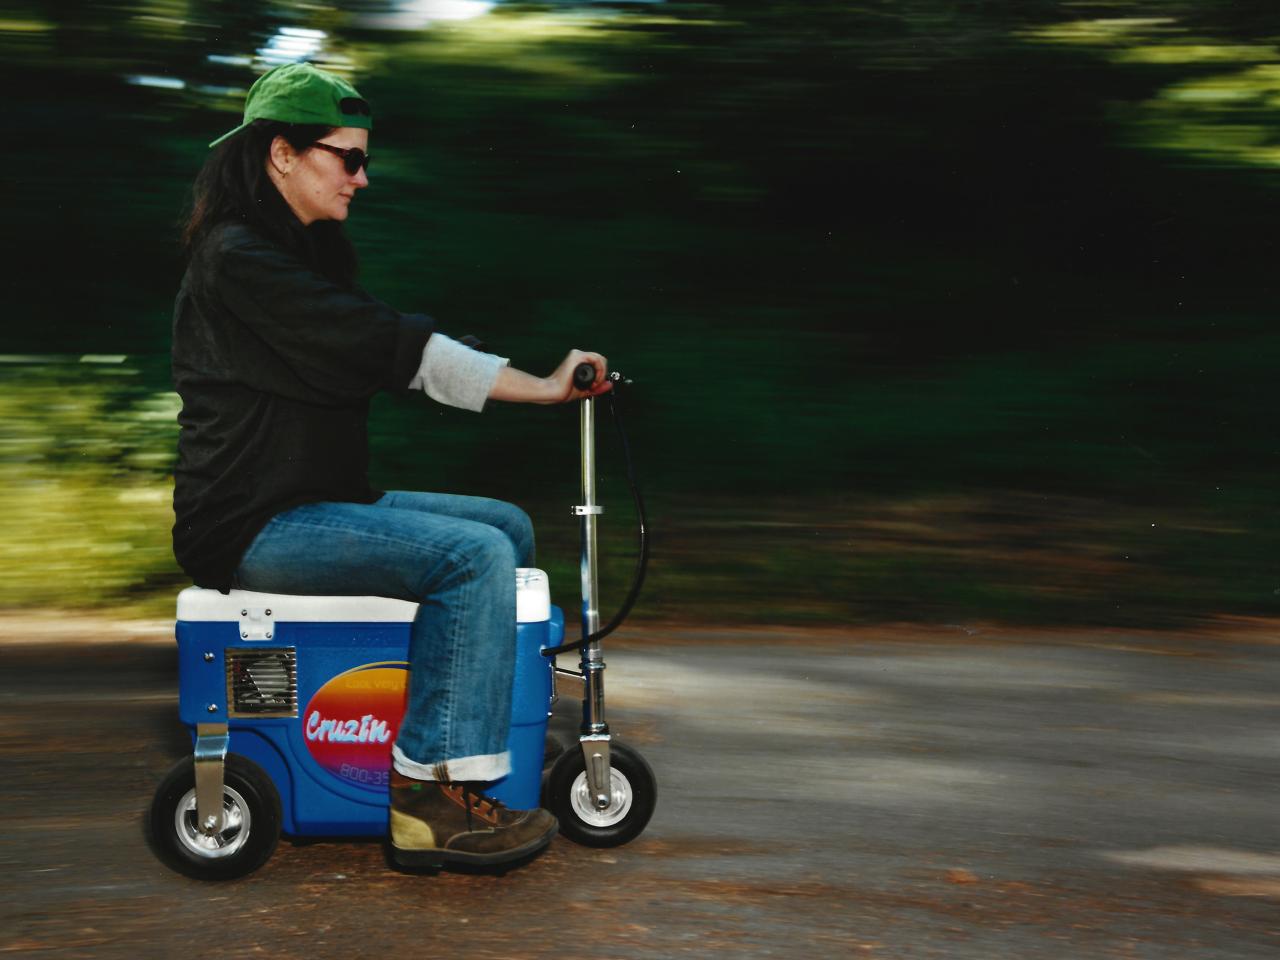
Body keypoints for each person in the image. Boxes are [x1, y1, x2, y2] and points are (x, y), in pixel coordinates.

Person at [171, 62, 608, 869]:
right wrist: (539, 389)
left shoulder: (301, 256)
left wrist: (508, 371)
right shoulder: (238, 259)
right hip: (251, 521)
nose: (362, 178)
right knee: (471, 556)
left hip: (316, 497)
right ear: (282, 154)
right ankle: (430, 798)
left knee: (503, 527)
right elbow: (381, 346)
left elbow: (378, 344)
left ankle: (476, 730)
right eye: (348, 157)